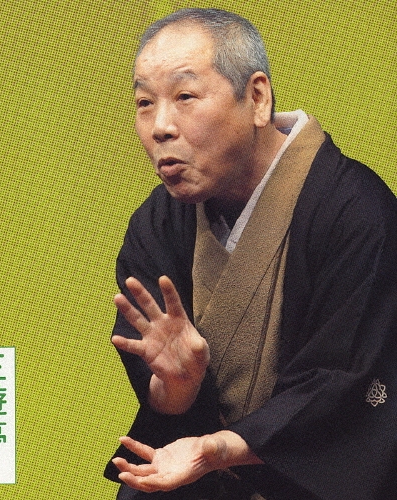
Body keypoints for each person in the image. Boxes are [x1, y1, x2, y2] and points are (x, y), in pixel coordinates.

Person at [103, 8, 397, 500]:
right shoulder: (158, 223)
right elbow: (167, 399)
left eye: (184, 97)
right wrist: (176, 389)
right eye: (144, 103)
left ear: (257, 97)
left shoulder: (356, 212)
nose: (160, 127)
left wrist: (221, 448)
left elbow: (348, 384)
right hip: (194, 478)